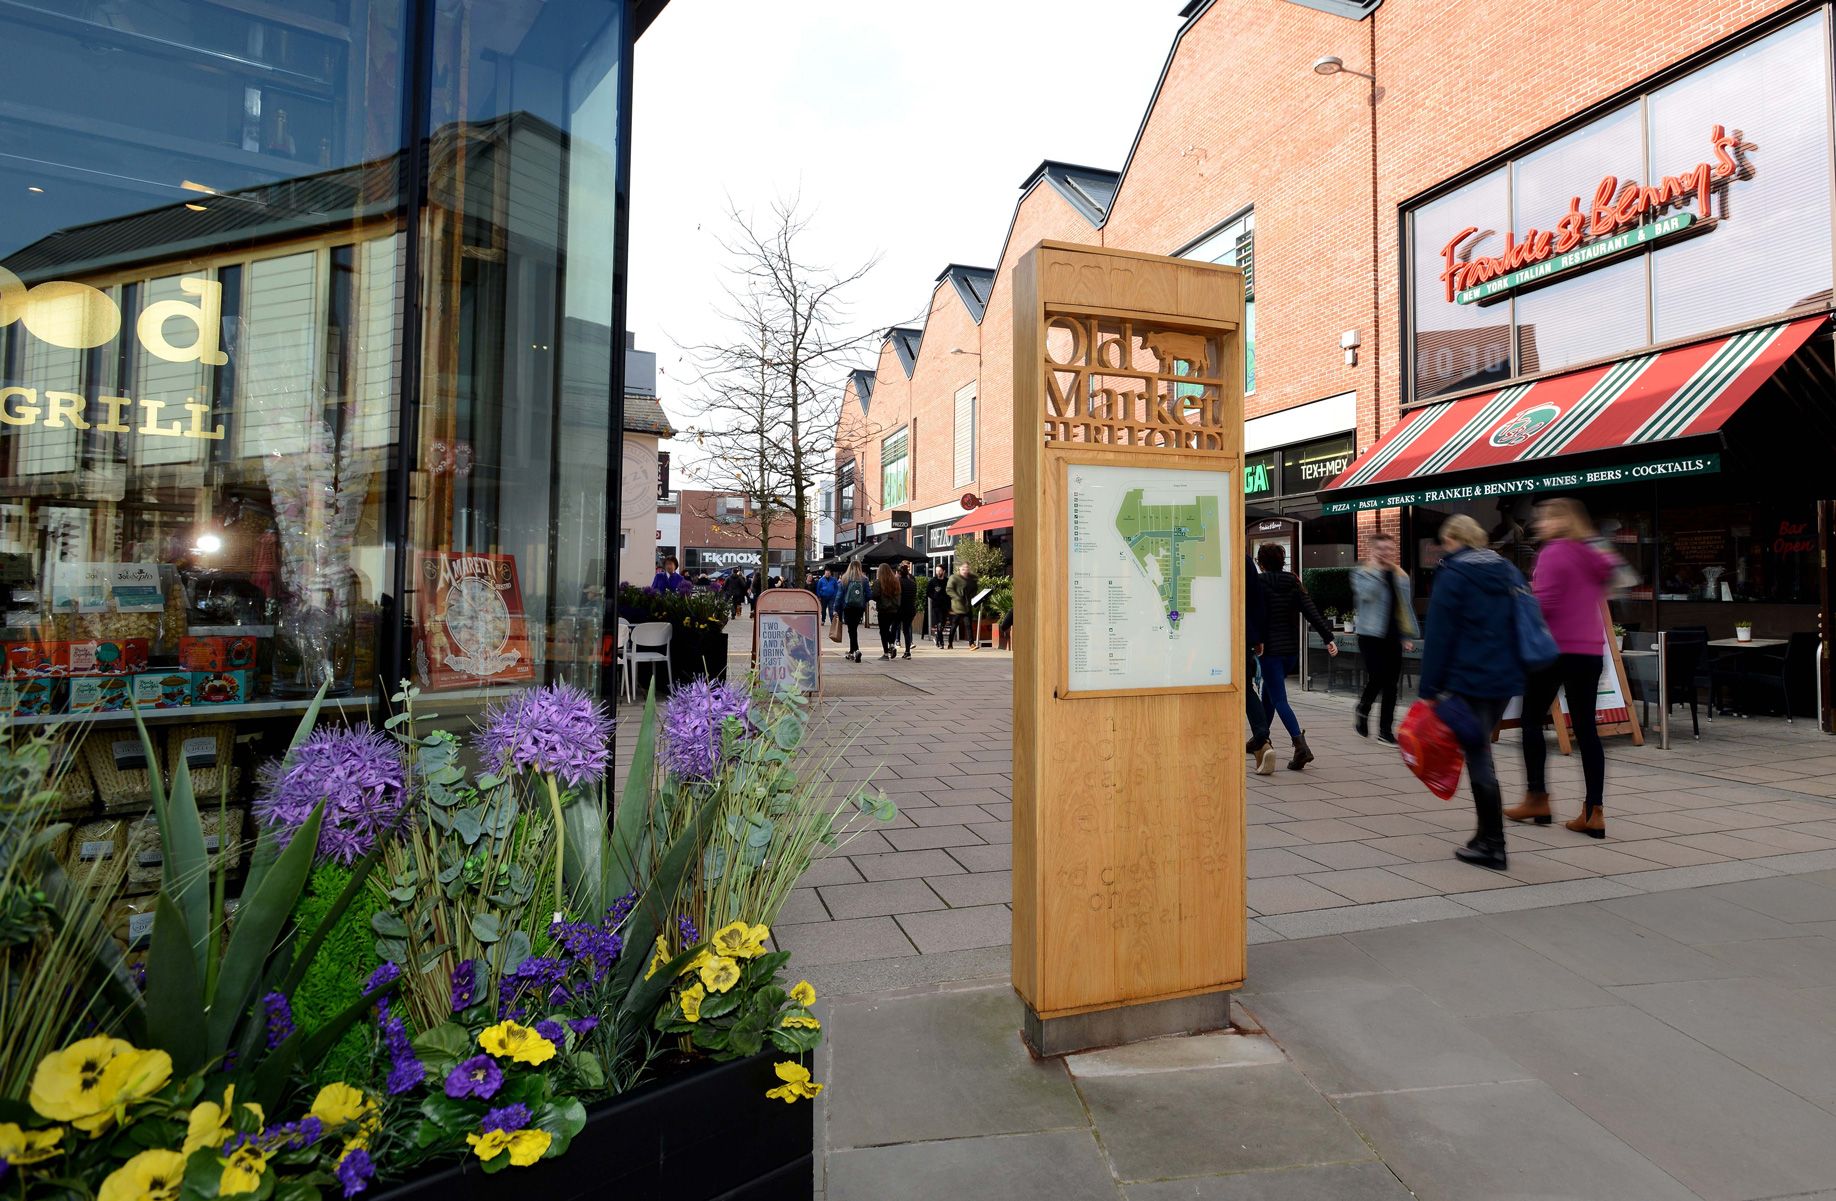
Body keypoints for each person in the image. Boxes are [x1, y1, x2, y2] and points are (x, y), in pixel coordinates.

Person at [1419, 514, 1527, 871]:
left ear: (1453, 539)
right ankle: (1484, 836)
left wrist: (1429, 688)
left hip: (1469, 678)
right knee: (1480, 751)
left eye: (1445, 541)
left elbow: (1439, 634)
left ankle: (1494, 845)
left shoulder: (1454, 573)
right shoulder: (1507, 569)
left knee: (1479, 756)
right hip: (1503, 677)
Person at [1508, 498, 1620, 839]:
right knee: (1587, 730)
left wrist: (1521, 599)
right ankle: (1594, 812)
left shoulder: (1554, 552)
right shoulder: (1593, 554)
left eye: (1544, 518)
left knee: (1530, 721)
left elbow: (1547, 604)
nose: (1539, 524)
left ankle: (1537, 797)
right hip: (1589, 653)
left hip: (1554, 651)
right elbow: (1611, 581)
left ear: (1560, 521)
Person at [1257, 543, 1337, 770]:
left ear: (1260, 563)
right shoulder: (1294, 582)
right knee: (1268, 694)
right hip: (1290, 653)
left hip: (1269, 651)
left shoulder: (1259, 584)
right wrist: (1328, 638)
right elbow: (1312, 612)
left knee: (1279, 699)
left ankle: (1300, 745)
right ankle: (1261, 739)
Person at [1351, 532, 1418, 746]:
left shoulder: (1401, 576)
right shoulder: (1362, 573)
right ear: (1372, 550)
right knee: (1377, 677)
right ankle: (1364, 708)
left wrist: (1406, 634)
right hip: (1370, 635)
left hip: (1393, 635)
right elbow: (1366, 595)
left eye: (1389, 548)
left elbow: (1404, 607)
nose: (1385, 553)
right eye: (1381, 549)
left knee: (1391, 685)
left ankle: (1385, 730)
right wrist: (1378, 572)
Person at [1244, 553, 1275, 775]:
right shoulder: (1244, 559)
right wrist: (1257, 638)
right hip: (1241, 634)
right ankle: (1262, 740)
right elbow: (1256, 600)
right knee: (1245, 689)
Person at [838, 562, 869, 662]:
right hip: (859, 608)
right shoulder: (864, 579)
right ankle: (852, 651)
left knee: (851, 629)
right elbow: (869, 595)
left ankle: (856, 650)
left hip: (848, 607)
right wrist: (862, 601)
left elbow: (839, 596)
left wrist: (836, 609)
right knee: (854, 628)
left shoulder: (845, 578)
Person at [872, 564, 902, 660]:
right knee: (887, 629)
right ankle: (892, 644)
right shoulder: (896, 581)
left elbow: (874, 595)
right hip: (894, 610)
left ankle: (886, 653)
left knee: (883, 631)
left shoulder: (878, 582)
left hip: (883, 609)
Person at [946, 563, 977, 648]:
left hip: (967, 606)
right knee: (954, 625)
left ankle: (971, 643)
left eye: (967, 568)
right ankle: (950, 643)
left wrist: (973, 597)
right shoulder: (954, 578)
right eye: (963, 568)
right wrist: (957, 597)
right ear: (959, 569)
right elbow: (949, 590)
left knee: (968, 625)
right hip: (957, 607)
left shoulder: (970, 579)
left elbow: (974, 589)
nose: (965, 570)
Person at [927, 564, 954, 648]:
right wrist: (934, 597)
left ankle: (937, 638)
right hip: (936, 605)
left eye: (939, 571)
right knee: (939, 623)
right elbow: (928, 592)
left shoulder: (948, 581)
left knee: (943, 623)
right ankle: (941, 642)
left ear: (943, 571)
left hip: (946, 605)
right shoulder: (933, 581)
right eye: (936, 571)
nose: (938, 572)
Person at [897, 562, 918, 659]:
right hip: (911, 609)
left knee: (894, 627)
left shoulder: (898, 582)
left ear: (899, 573)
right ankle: (907, 651)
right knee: (907, 630)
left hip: (901, 609)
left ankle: (891, 647)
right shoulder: (913, 583)